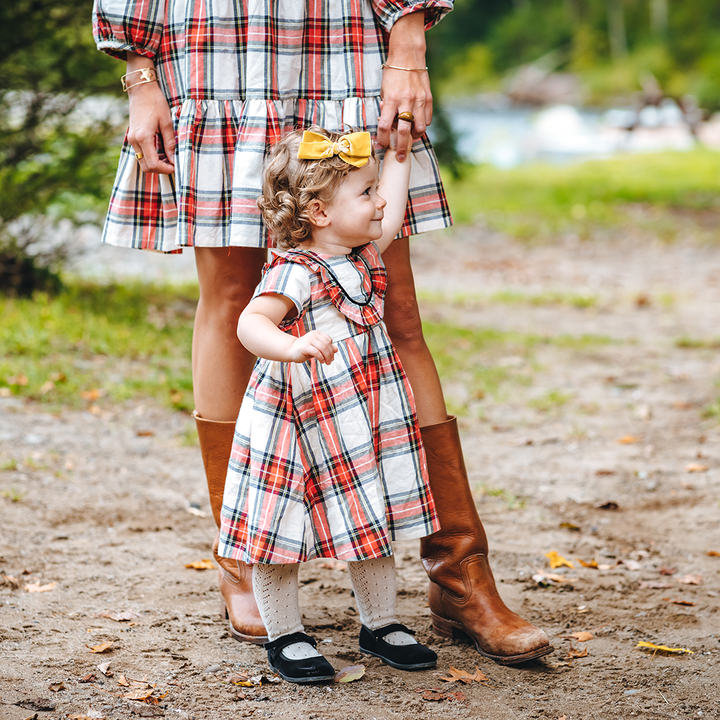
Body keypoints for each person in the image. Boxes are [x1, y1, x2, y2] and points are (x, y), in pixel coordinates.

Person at [92, 0, 552, 665]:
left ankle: (460, 575)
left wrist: (409, 46)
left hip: (339, 41)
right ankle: (243, 560)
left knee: (396, 314)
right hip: (216, 46)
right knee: (230, 303)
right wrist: (140, 76)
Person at [218, 126, 438, 683]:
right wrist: (291, 346)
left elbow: (389, 220)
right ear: (319, 212)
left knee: (369, 503)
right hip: (298, 416)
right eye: (365, 193)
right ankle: (285, 633)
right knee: (279, 526)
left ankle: (380, 622)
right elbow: (250, 323)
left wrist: (399, 158)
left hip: (360, 411)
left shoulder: (362, 254)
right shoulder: (294, 269)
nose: (379, 202)